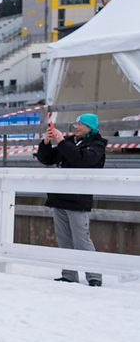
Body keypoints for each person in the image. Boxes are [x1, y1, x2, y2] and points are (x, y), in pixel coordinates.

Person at [37, 113, 106, 286]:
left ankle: (94, 276)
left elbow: (81, 160)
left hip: (78, 199)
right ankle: (69, 274)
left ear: (89, 127)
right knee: (64, 239)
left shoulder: (96, 146)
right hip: (59, 196)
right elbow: (47, 159)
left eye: (79, 124)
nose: (75, 127)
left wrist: (61, 142)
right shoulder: (70, 142)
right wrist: (46, 142)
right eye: (76, 124)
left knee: (81, 239)